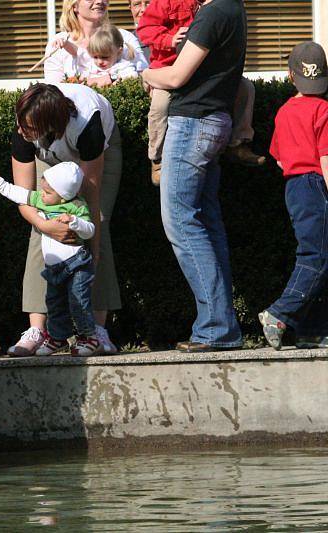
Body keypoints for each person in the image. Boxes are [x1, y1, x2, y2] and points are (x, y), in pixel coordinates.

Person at [141, 0, 245, 352]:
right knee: (206, 224)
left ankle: (216, 328)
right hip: (214, 122)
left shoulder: (214, 13)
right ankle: (222, 325)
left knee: (181, 223)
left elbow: (175, 76)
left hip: (193, 125)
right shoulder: (233, 9)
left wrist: (145, 74)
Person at [8, 82, 121, 357]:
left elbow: (91, 200)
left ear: (49, 125)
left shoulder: (88, 124)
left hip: (92, 152)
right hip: (50, 154)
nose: (21, 133)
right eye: (20, 126)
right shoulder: (25, 126)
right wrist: (45, 224)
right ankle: (38, 329)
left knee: (95, 226)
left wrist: (92, 250)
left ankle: (95, 330)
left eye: (28, 129)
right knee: (41, 227)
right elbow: (25, 197)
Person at [138, 0, 265, 186]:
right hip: (166, 69)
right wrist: (168, 39)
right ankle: (157, 159)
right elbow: (144, 29)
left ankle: (238, 143)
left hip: (197, 71)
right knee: (161, 103)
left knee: (246, 88)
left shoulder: (211, 6)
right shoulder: (163, 2)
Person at [0, 163, 99, 356]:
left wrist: (75, 222)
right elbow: (21, 194)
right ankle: (57, 338)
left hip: (77, 265)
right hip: (54, 267)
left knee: (78, 302)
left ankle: (89, 338)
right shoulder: (43, 199)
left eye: (48, 192)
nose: (42, 195)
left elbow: (90, 230)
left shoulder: (77, 206)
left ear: (64, 195)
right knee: (54, 303)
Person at [259, 42, 328, 350]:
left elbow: (278, 157)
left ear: (290, 76)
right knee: (317, 256)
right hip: (316, 184)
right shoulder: (324, 109)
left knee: (318, 252)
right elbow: (326, 157)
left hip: (294, 187)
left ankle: (312, 328)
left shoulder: (285, 110)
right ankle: (279, 314)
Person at [43, 0, 148, 86]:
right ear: (74, 5)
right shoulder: (59, 43)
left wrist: (111, 78)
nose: (99, 1)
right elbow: (54, 89)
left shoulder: (124, 37)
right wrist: (96, 81)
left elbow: (144, 78)